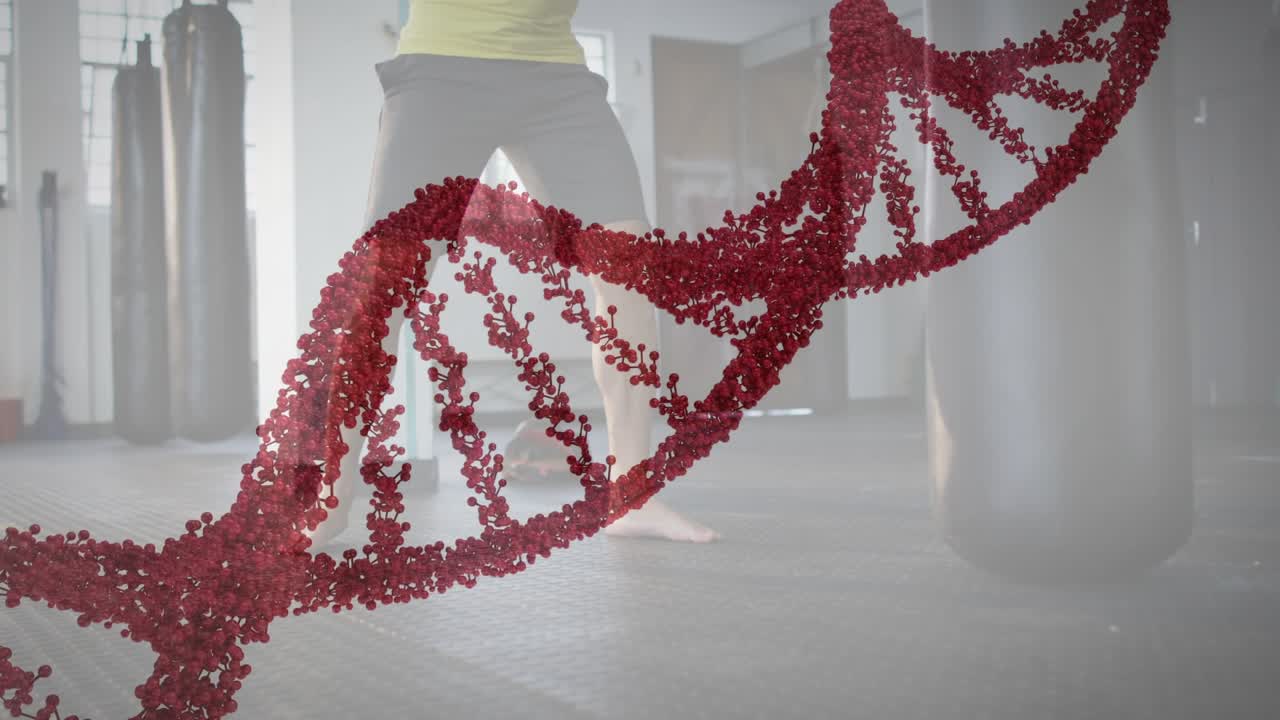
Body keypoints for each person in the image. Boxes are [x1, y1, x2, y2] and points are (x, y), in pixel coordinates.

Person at [306, 0, 719, 547]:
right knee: (384, 287)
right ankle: (331, 499)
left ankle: (631, 492)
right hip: (441, 70)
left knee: (629, 272)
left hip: (555, 77)